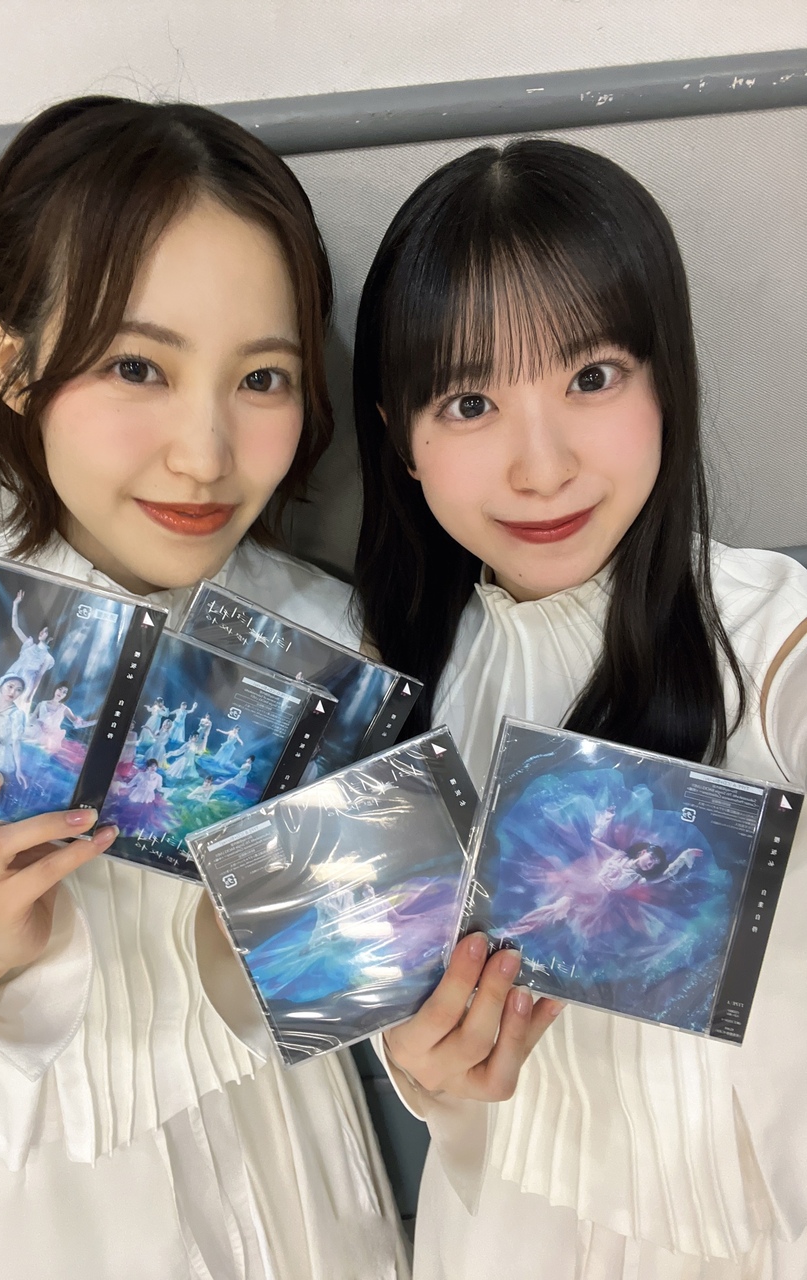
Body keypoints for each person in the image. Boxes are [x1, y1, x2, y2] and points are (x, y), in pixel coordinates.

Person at [0, 95, 520, 1280]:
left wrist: (408, 1002)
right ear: (10, 356)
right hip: (61, 1214)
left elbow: (381, 981)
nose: (204, 453)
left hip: (302, 1186)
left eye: (262, 376)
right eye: (135, 365)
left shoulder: (332, 642)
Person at [353, 137, 807, 1278]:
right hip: (505, 1235)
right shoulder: (393, 685)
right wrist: (425, 1069)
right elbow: (402, 1040)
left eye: (591, 377)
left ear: (664, 381)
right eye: (469, 401)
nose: (540, 465)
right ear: (399, 438)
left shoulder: (768, 636)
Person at [3, 590, 54, 710]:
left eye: (46, 631)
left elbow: (39, 677)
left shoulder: (47, 658)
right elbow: (15, 626)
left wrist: (30, 695)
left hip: (25, 684)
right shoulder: (29, 644)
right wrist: (15, 604)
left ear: (51, 637)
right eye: (43, 630)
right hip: (12, 675)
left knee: (13, 711)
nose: (42, 632)